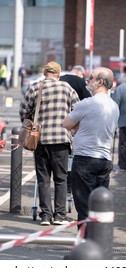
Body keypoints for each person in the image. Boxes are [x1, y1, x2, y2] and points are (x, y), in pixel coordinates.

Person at [19, 61, 79, 226]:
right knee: (61, 178)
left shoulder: (34, 87)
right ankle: (59, 215)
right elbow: (77, 110)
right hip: (61, 139)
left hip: (41, 139)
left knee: (43, 178)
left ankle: (45, 215)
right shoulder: (67, 88)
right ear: (58, 74)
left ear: (45, 73)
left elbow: (24, 111)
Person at [63, 66, 119, 225]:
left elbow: (66, 123)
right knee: (99, 206)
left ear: (100, 82)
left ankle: (85, 244)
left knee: (83, 207)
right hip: (104, 160)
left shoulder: (87, 103)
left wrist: (78, 126)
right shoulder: (114, 106)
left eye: (91, 77)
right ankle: (98, 241)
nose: (87, 79)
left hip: (84, 160)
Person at [60, 65, 91, 194]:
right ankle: (70, 184)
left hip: (58, 123)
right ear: (81, 74)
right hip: (75, 123)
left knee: (62, 157)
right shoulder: (80, 82)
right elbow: (88, 101)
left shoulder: (60, 79)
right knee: (74, 155)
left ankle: (64, 184)